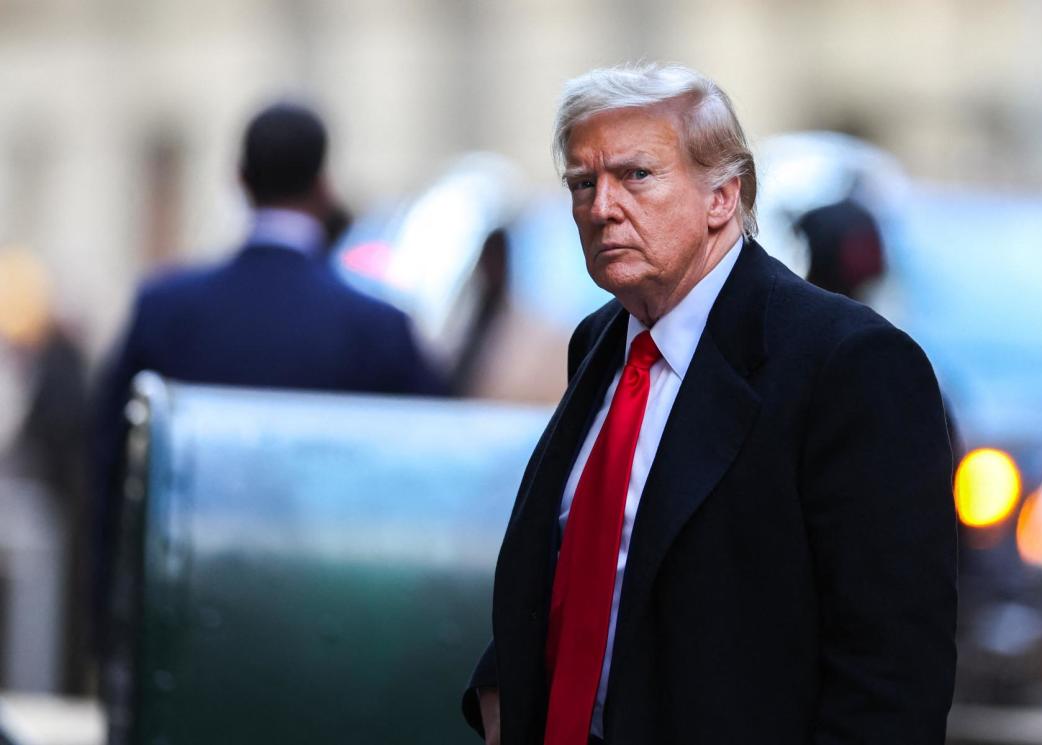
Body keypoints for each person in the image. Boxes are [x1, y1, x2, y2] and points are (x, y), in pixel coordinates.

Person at [463, 64, 957, 745]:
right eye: (583, 182)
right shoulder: (601, 340)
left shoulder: (849, 364)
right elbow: (579, 558)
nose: (601, 206)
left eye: (636, 176)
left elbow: (892, 671)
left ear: (723, 196)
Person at [91, 102, 445, 645]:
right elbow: (432, 481)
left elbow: (110, 470)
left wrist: (107, 617)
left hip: (182, 621)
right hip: (331, 625)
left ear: (240, 180)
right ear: (325, 187)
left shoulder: (164, 308)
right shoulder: (378, 328)